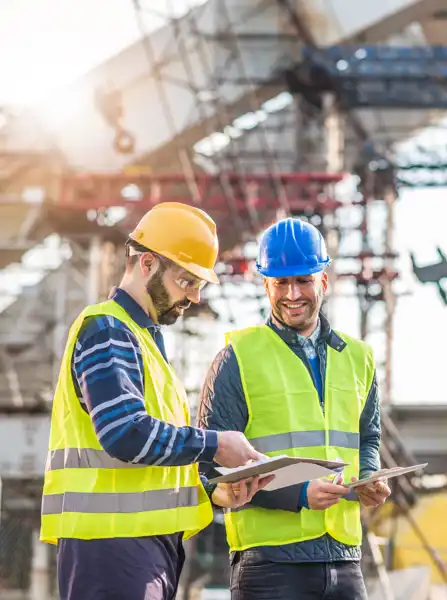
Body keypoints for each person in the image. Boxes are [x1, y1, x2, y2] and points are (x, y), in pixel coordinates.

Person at [41, 202, 272, 600]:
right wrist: (217, 445)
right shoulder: (108, 329)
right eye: (186, 281)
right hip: (112, 550)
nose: (194, 296)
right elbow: (125, 434)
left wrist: (213, 492)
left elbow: (151, 466)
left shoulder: (142, 340)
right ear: (147, 263)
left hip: (142, 549)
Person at [197, 217, 392, 600]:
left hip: (344, 557)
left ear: (324, 281)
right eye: (280, 283)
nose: (292, 294)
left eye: (303, 281)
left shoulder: (360, 357)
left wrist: (369, 477)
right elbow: (211, 471)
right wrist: (299, 493)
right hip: (269, 564)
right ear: (265, 284)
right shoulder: (237, 358)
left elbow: (368, 436)